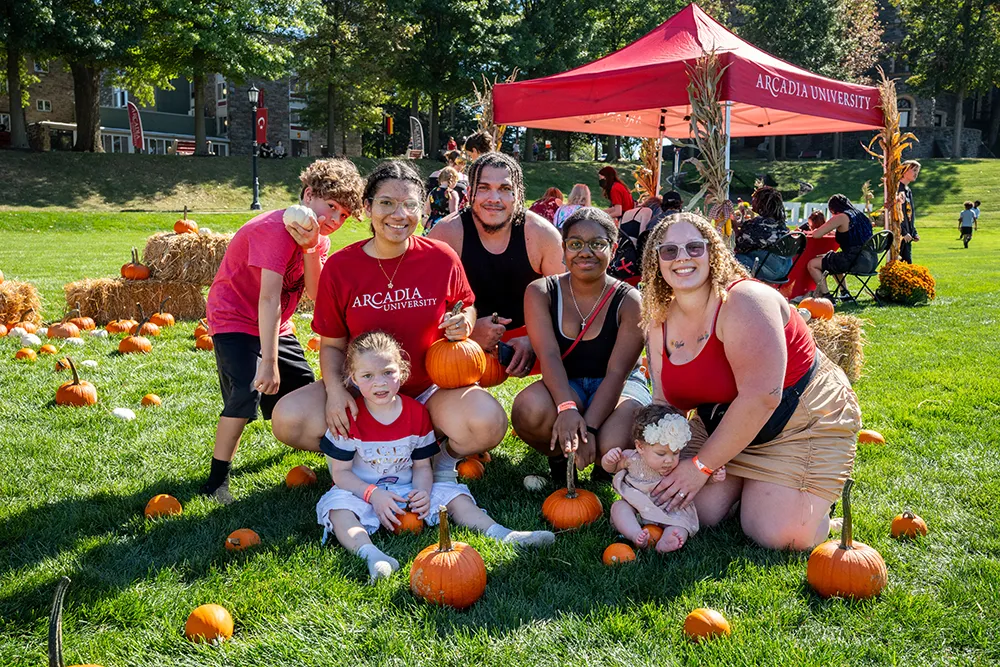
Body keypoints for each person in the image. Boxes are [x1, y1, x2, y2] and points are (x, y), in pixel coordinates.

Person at [642, 212, 861, 551]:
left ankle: (805, 499)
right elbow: (663, 402)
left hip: (797, 418)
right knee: (679, 508)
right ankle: (750, 485)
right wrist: (646, 452)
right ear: (656, 260)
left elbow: (761, 397)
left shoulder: (744, 301)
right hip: (723, 421)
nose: (682, 257)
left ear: (713, 253)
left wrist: (699, 467)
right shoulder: (659, 319)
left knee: (781, 535)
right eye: (669, 251)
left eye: (694, 247)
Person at [272, 161, 508, 472]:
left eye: (409, 204)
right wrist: (335, 391)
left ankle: (438, 460)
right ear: (368, 208)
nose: (399, 215)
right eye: (386, 203)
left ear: (420, 209)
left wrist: (464, 319)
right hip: (365, 389)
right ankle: (368, 454)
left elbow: (465, 304)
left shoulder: (441, 257)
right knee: (289, 418)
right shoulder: (342, 268)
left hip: (432, 389)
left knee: (489, 423)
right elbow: (331, 345)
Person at [315, 332, 554, 583]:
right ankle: (373, 556)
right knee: (337, 509)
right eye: (367, 376)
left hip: (407, 489)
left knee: (455, 495)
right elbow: (340, 474)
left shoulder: (416, 413)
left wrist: (421, 491)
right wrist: (372, 494)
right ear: (353, 379)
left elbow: (421, 466)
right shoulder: (349, 416)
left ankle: (503, 534)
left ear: (402, 371)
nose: (380, 383)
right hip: (361, 492)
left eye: (388, 372)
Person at [199, 158, 365, 503]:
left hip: (277, 324)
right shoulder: (274, 229)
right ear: (308, 194)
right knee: (246, 392)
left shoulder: (318, 241)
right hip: (235, 319)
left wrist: (310, 248)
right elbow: (269, 298)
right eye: (331, 206)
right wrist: (268, 361)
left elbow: (316, 295)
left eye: (344, 215)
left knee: (304, 397)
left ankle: (343, 458)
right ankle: (216, 482)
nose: (334, 219)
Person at [511, 208, 648, 484]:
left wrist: (593, 429)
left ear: (613, 247)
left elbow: (617, 373)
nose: (585, 252)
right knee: (529, 408)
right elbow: (549, 355)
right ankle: (561, 459)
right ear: (563, 249)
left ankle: (605, 465)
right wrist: (566, 408)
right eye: (575, 244)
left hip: (620, 386)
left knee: (611, 443)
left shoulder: (630, 300)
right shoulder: (540, 292)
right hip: (567, 381)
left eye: (597, 244)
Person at [428, 152, 564, 378]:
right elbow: (426, 304)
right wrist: (467, 332)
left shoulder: (542, 235)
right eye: (483, 188)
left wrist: (535, 339)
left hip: (531, 337)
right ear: (469, 193)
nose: (494, 198)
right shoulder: (445, 234)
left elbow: (568, 302)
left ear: (518, 195)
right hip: (462, 340)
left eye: (504, 189)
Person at [602, 404, 726, 553]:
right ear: (640, 447)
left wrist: (712, 477)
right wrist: (609, 460)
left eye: (675, 453)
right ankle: (634, 533)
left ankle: (669, 539)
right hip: (636, 507)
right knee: (619, 507)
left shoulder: (682, 464)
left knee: (681, 524)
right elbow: (611, 468)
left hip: (670, 510)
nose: (669, 460)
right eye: (661, 454)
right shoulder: (631, 457)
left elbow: (695, 480)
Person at [805, 194, 875, 299]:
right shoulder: (861, 216)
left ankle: (826, 296)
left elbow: (816, 235)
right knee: (833, 259)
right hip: (871, 261)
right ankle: (845, 293)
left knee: (812, 264)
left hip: (855, 261)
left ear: (833, 209)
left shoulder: (841, 217)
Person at [733, 186, 793, 282]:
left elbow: (738, 245)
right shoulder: (779, 223)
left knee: (731, 259)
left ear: (761, 203)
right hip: (785, 268)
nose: (752, 202)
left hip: (770, 270)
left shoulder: (757, 225)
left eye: (754, 199)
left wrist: (734, 227)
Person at [424, 166, 460, 233]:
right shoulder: (452, 193)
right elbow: (453, 214)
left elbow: (427, 210)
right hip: (445, 225)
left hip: (431, 223)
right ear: (454, 180)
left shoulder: (432, 192)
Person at [898, 160, 920, 263]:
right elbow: (895, 214)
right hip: (899, 235)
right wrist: (903, 232)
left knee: (907, 265)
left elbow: (910, 214)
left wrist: (913, 232)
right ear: (905, 170)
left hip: (908, 236)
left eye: (918, 171)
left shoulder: (908, 190)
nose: (916, 173)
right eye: (914, 170)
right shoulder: (897, 189)